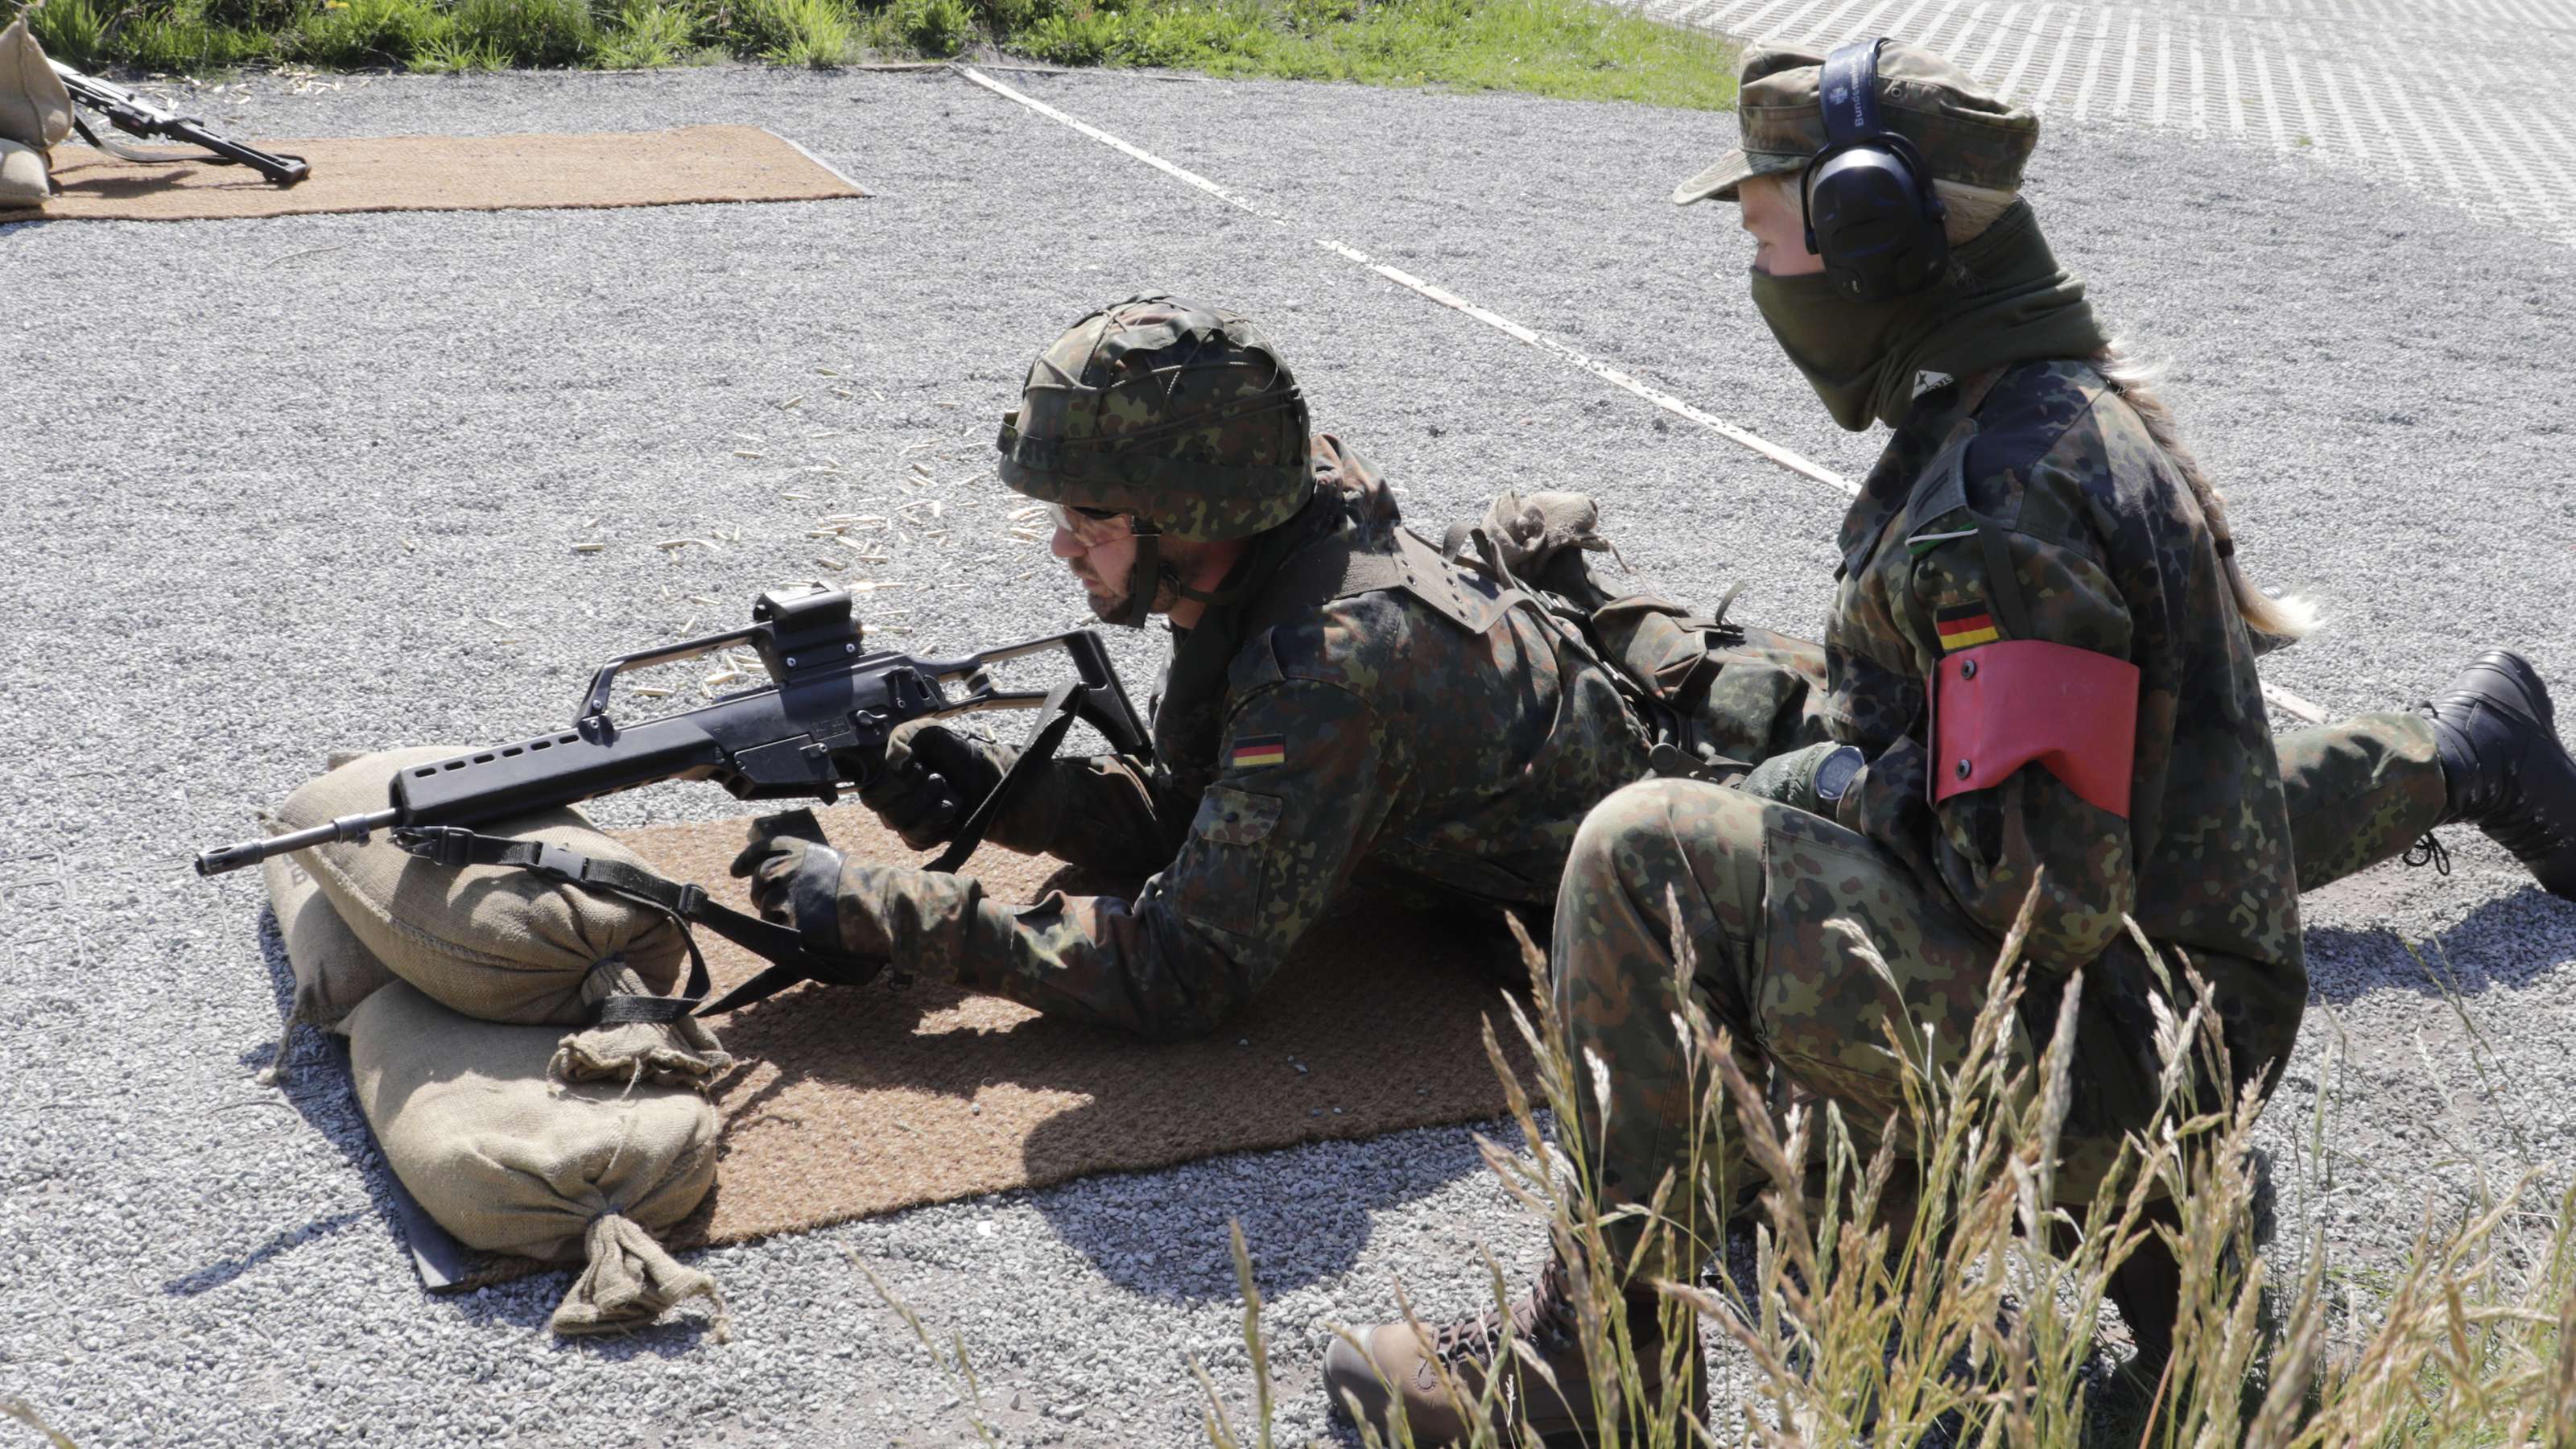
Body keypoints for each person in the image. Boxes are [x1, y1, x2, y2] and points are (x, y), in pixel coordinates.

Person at [1323, 39, 2576, 1444]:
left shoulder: (2002, 500)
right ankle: (2185, 1315)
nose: (1757, 269)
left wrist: (1827, 785)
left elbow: (2041, 884)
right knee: (1762, 996)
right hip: (2156, 1021)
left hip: (2124, 1061)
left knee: (1649, 856)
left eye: (1767, 227)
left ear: (1870, 231)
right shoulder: (2024, 419)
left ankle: (1592, 1375)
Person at [729, 292, 1829, 1040]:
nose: (1063, 546)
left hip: (1699, 852)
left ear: (1188, 516)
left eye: (1088, 520)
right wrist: (1011, 797)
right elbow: (1210, 807)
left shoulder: (1325, 675)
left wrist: (886, 909)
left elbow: (1186, 964)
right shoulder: (1278, 521)